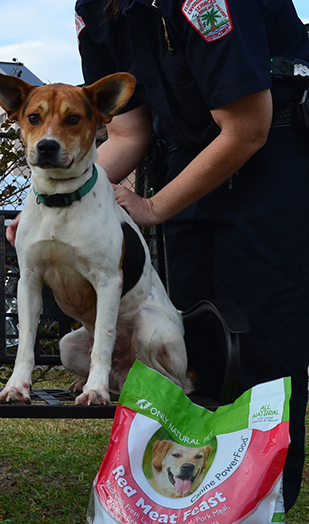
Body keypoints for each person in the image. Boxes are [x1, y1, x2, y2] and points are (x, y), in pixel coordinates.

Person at [62, 0, 309, 512]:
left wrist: (153, 205)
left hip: (273, 159)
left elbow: (248, 126)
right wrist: (52, 202)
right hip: (187, 164)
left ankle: (265, 508)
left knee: (263, 353)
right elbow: (129, 133)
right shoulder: (98, 9)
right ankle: (195, 506)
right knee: (193, 350)